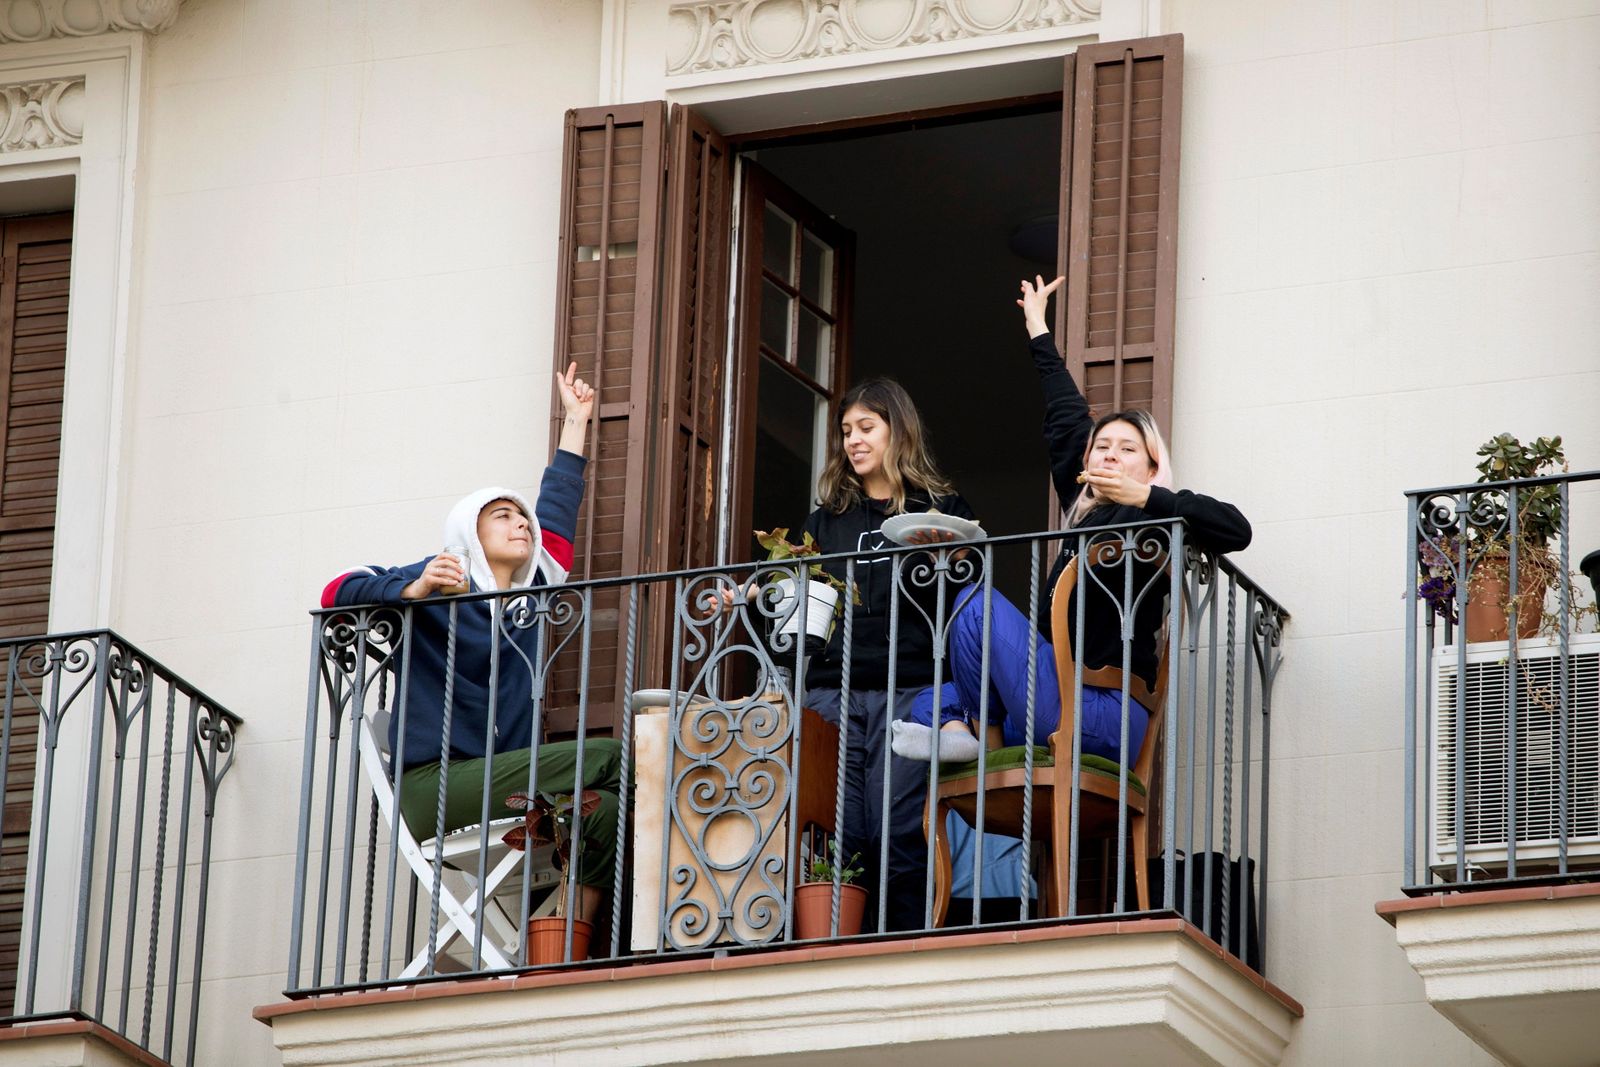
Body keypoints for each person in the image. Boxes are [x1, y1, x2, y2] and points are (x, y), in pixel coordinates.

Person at [892, 276, 1252, 769]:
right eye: (1101, 447)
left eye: (1128, 450)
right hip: (1049, 702)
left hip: (1104, 712)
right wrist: (1038, 328)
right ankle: (972, 739)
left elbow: (1237, 529)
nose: (1110, 455)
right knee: (928, 697)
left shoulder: (1158, 517)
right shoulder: (1084, 503)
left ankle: (980, 745)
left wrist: (1147, 497)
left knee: (976, 604)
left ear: (1151, 468)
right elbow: (1065, 415)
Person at [320, 363, 623, 928]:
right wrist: (410, 590)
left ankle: (562, 941)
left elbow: (556, 510)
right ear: (469, 535)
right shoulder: (442, 580)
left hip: (505, 779)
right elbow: (336, 588)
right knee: (611, 756)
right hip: (436, 787)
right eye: (502, 518)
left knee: (602, 812)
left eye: (521, 519)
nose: (522, 526)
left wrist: (576, 423)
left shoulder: (533, 592)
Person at [765, 378, 975, 931]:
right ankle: (834, 949)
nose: (853, 441)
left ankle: (902, 947)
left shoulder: (943, 511)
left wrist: (951, 555)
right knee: (839, 831)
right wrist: (755, 596)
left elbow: (972, 594)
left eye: (866, 428)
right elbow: (795, 598)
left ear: (896, 431)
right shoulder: (826, 519)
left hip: (910, 688)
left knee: (900, 830)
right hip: (832, 690)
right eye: (845, 431)